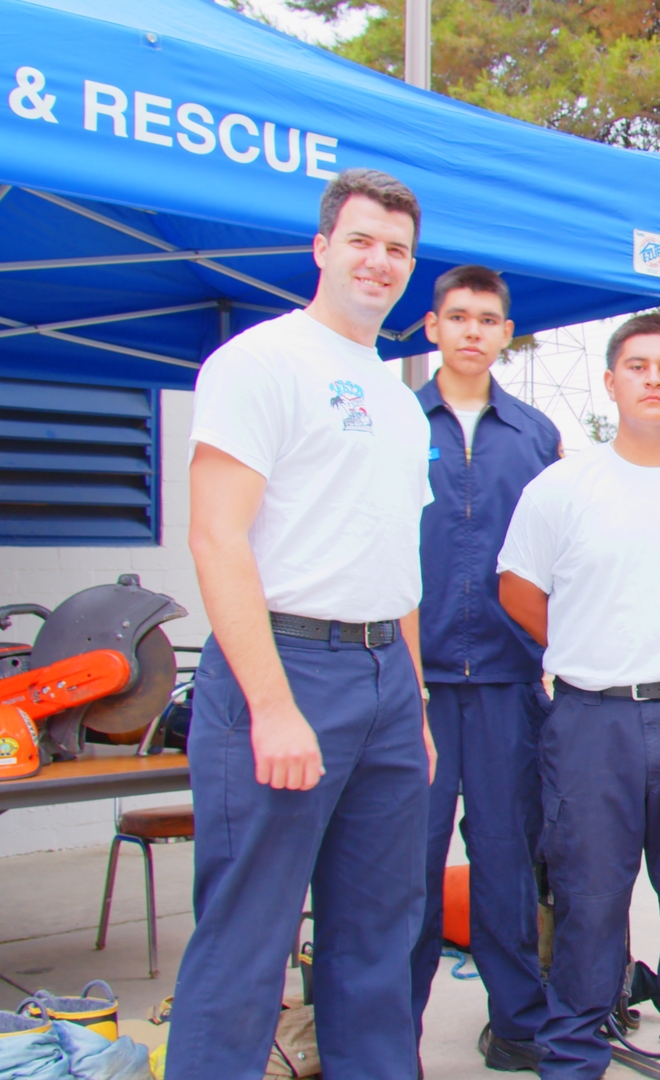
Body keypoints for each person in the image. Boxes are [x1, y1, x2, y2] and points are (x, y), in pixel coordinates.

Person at [172, 168, 435, 1080]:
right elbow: (216, 536)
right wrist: (273, 706)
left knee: (377, 944)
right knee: (248, 943)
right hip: (284, 669)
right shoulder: (259, 362)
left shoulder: (400, 400)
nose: (380, 261)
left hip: (386, 682)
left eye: (397, 249)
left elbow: (397, 566)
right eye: (361, 240)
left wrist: (418, 711)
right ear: (321, 248)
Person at [497, 312, 660, 1080]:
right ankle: (575, 1054)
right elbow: (518, 589)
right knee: (586, 897)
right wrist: (589, 645)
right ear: (611, 381)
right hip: (591, 720)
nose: (653, 379)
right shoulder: (562, 487)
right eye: (637, 366)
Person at [410, 265, 562, 1071]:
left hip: (508, 684)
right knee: (404, 866)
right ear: (431, 327)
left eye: (488, 319)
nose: (472, 330)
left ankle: (517, 1026)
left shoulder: (537, 436)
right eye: (457, 317)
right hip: (413, 687)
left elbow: (559, 557)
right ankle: (384, 1033)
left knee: (507, 862)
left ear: (507, 333)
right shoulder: (395, 424)